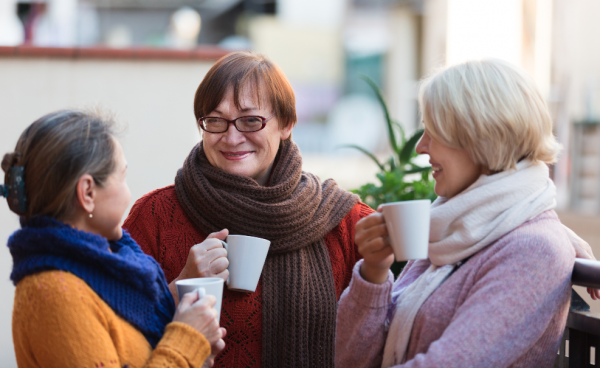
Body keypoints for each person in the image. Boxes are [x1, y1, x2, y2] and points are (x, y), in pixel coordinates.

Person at [122, 51, 373, 367]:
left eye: (251, 120)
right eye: (215, 120)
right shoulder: (155, 216)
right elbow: (113, 334)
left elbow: (390, 330)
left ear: (286, 123)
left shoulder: (344, 221)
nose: (231, 137)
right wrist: (180, 285)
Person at [335, 59, 584, 367]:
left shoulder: (533, 250)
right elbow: (350, 359)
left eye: (433, 131)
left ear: (482, 135)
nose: (421, 147)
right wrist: (373, 272)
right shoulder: (451, 228)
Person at [3, 110, 225, 367]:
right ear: (87, 192)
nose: (128, 192)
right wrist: (187, 343)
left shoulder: (108, 268)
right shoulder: (54, 293)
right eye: (122, 176)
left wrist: (198, 354)